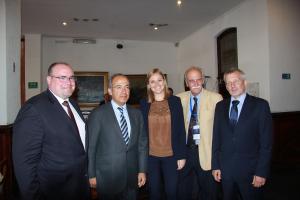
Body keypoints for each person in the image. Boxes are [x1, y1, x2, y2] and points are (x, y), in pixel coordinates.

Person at [12, 62, 90, 200]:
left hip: (78, 185)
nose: (69, 82)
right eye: (62, 77)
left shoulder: (72, 104)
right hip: (53, 191)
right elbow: (25, 163)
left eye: (72, 78)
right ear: (49, 80)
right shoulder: (34, 108)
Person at [212, 68, 273, 200]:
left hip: (250, 172)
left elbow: (266, 144)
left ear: (245, 83)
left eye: (236, 81)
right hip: (226, 171)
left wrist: (261, 172)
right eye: (228, 83)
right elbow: (216, 138)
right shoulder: (220, 106)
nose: (232, 85)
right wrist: (215, 165)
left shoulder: (260, 106)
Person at [87, 74, 148, 200]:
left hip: (132, 178)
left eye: (127, 87)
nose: (124, 91)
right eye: (118, 87)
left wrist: (142, 170)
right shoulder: (97, 114)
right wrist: (91, 174)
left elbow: (142, 145)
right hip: (107, 178)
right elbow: (91, 147)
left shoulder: (137, 114)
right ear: (110, 91)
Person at [177, 66, 223, 200]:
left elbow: (220, 131)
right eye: (191, 80)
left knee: (209, 192)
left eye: (198, 79)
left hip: (206, 153)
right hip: (184, 153)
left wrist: (218, 160)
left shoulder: (216, 98)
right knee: (183, 190)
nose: (196, 83)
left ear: (203, 80)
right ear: (186, 83)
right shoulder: (178, 99)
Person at [140, 68, 186, 200]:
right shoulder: (144, 103)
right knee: (154, 192)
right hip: (151, 156)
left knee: (172, 191)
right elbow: (142, 132)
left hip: (171, 155)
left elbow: (180, 130)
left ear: (164, 82)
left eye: (159, 80)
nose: (156, 84)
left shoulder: (175, 101)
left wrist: (182, 156)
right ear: (149, 85)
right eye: (152, 81)